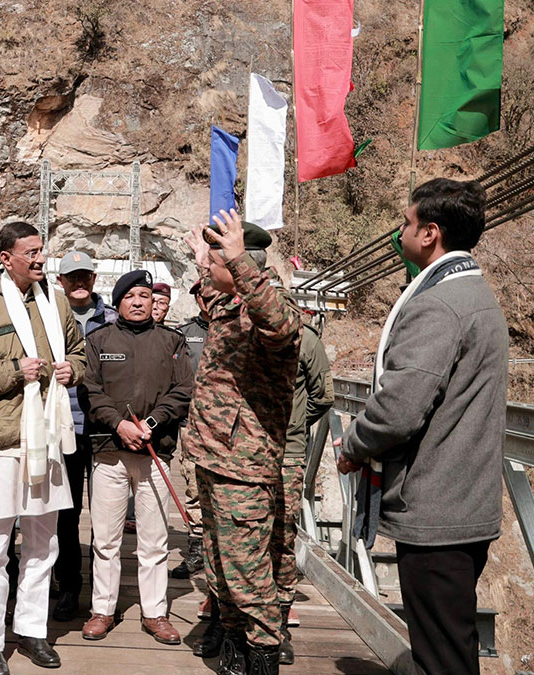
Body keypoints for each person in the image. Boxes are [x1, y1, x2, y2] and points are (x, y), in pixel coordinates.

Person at [337, 178, 507, 675]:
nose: (400, 232)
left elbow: (399, 408)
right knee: (450, 647)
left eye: (407, 223)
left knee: (440, 659)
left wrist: (352, 444)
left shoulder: (438, 305)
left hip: (437, 510)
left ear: (430, 233)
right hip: (464, 501)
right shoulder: (477, 296)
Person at [0, 221, 86, 675]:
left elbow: (79, 353)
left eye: (42, 250)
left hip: (49, 438)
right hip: (2, 442)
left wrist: (73, 370)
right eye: (31, 252)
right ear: (6, 258)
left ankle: (31, 629)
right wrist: (11, 371)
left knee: (43, 546)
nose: (41, 258)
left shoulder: (55, 302)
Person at [182, 209, 301, 675]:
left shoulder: (272, 307)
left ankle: (263, 657)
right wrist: (203, 260)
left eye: (218, 263)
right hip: (213, 457)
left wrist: (234, 262)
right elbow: (214, 295)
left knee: (248, 574)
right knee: (220, 566)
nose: (209, 272)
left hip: (244, 468)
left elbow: (279, 326)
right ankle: (233, 650)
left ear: (239, 267)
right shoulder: (229, 304)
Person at [80, 270, 192, 645]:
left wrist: (151, 423)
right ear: (118, 303)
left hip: (155, 451)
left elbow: (183, 389)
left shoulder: (172, 341)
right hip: (109, 451)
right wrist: (119, 425)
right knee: (105, 540)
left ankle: (155, 613)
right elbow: (90, 391)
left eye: (144, 295)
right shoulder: (98, 340)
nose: (139, 302)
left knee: (155, 541)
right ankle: (102, 610)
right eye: (130, 296)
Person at [52, 250, 116, 622]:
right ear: (60, 281)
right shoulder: (47, 318)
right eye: (71, 276)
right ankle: (69, 585)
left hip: (106, 429)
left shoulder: (113, 319)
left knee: (106, 516)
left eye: (84, 276)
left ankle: (103, 593)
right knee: (66, 512)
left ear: (94, 278)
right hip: (66, 428)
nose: (79, 282)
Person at [276, 321, 334, 665]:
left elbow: (323, 396)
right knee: (236, 537)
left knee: (282, 536)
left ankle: (279, 624)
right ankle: (230, 621)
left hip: (287, 453)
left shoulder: (306, 339)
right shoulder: (232, 327)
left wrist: (295, 423)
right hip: (240, 454)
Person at [171, 282, 211, 585]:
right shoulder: (185, 334)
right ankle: (196, 547)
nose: (207, 299)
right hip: (192, 424)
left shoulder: (238, 327)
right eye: (202, 295)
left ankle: (220, 552)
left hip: (231, 427)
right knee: (194, 487)